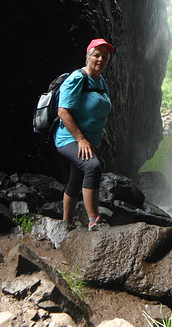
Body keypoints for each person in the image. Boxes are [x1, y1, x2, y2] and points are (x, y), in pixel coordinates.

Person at [55, 38, 114, 231]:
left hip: (88, 140)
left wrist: (102, 136)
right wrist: (80, 139)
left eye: (104, 57)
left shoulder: (100, 81)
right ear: (88, 56)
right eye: (96, 55)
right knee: (92, 167)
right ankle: (94, 220)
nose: (100, 60)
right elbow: (63, 111)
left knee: (75, 179)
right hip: (69, 139)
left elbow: (97, 111)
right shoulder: (77, 78)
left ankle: (66, 223)